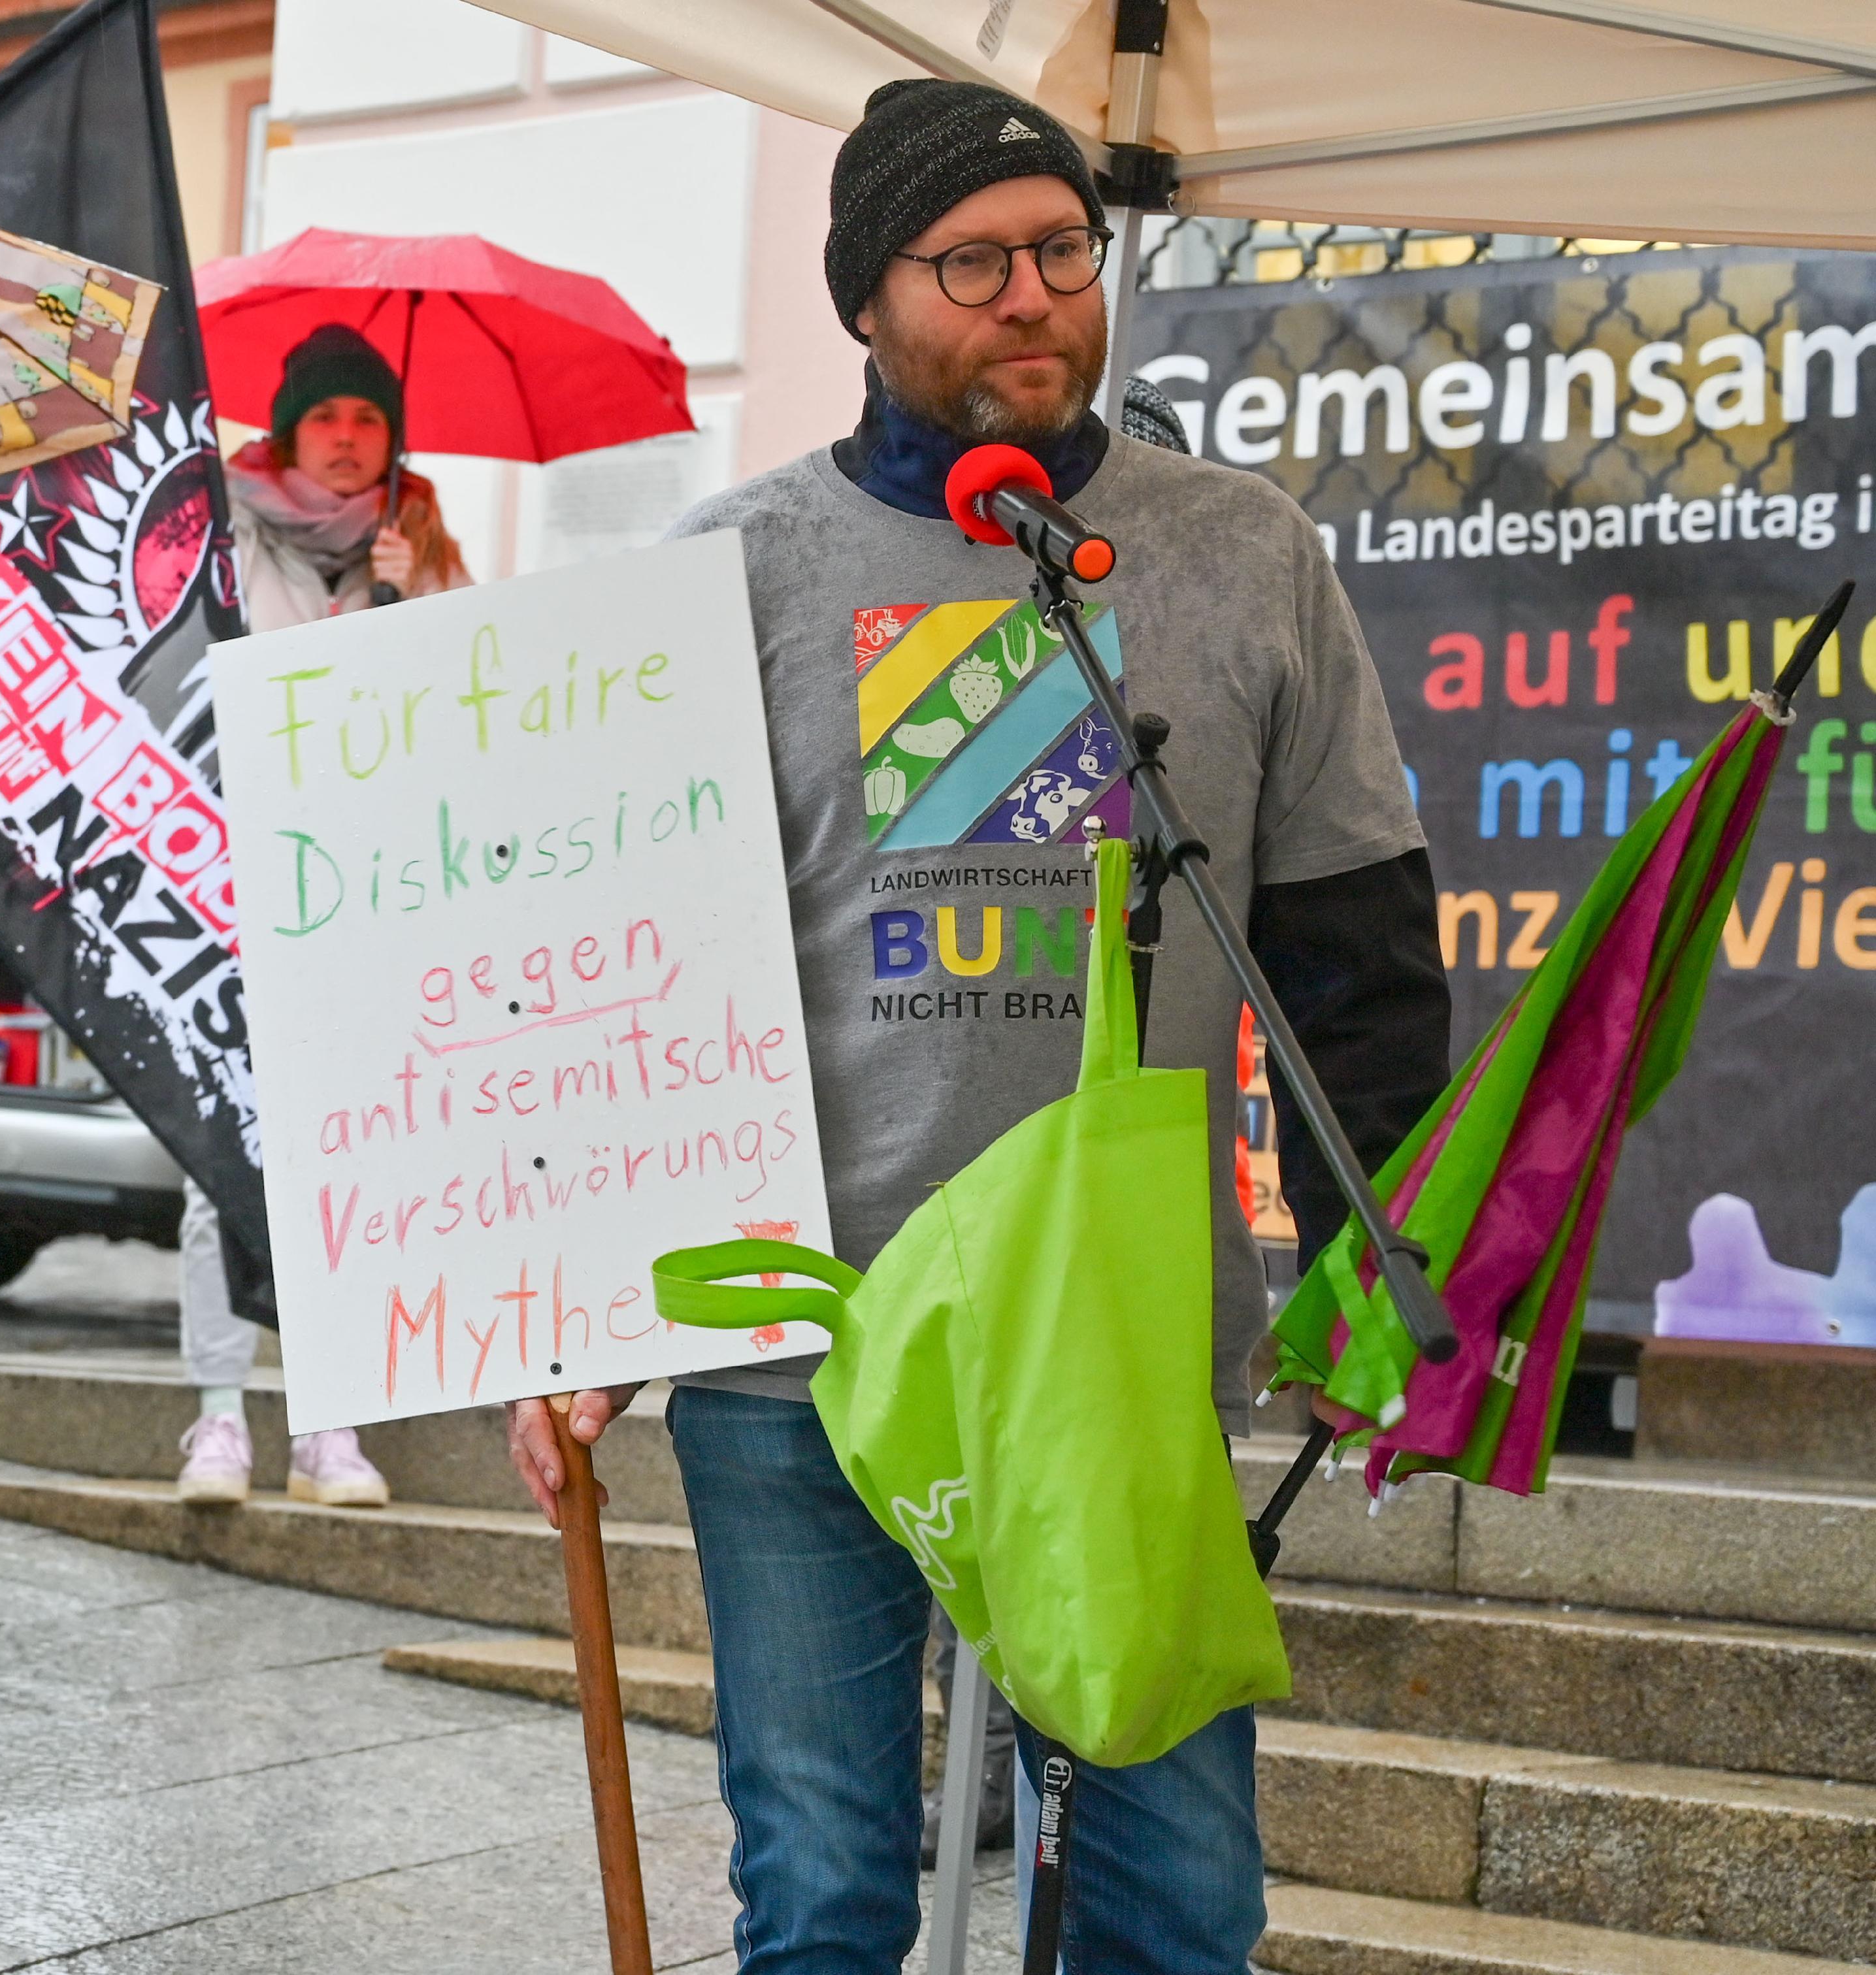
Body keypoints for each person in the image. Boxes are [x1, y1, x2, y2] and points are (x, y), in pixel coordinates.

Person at [504, 81, 1451, 1972]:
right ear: (867, 298)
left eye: (1060, 253)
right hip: (805, 1354)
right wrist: (579, 1304)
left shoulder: (1245, 552)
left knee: (1179, 1905)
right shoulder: (727, 569)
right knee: (827, 1883)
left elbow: (1357, 964)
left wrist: (1373, 1281)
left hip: (1124, 1354)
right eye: (972, 262)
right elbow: (625, 973)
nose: (1032, 297)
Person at [174, 324, 472, 1508]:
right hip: (235, 889)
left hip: (376, 899)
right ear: (289, 429)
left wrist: (402, 605)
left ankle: (331, 1425)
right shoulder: (223, 535)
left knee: (350, 1166)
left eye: (369, 418)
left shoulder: (429, 550)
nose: (350, 438)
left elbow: (459, 716)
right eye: (327, 417)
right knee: (220, 1166)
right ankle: (216, 1420)